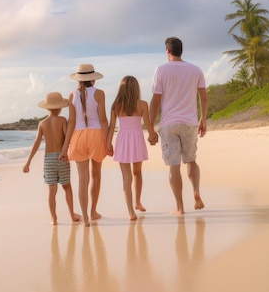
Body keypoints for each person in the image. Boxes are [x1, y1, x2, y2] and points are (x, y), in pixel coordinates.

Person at [149, 37, 208, 214]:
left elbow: (155, 101)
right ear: (181, 50)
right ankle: (196, 192)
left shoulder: (160, 69)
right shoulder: (196, 70)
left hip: (168, 124)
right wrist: (203, 119)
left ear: (167, 51)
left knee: (174, 166)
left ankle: (180, 207)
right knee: (191, 160)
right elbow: (203, 97)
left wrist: (150, 126)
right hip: (189, 123)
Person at [60, 64, 108, 227]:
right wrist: (108, 141)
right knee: (96, 176)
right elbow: (103, 119)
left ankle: (86, 217)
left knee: (82, 179)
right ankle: (93, 211)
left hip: (78, 136)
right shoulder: (100, 93)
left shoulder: (72, 94)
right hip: (96, 135)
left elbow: (71, 122)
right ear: (93, 78)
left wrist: (65, 147)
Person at [23, 92, 82, 225]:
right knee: (67, 187)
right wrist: (72, 152)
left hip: (48, 159)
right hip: (62, 157)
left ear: (47, 107)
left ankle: (53, 218)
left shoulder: (42, 123)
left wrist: (28, 162)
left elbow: (37, 143)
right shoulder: (62, 120)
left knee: (52, 190)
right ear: (61, 107)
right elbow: (68, 138)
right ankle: (72, 215)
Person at [106, 76, 158, 221]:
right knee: (137, 173)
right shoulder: (142, 104)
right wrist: (153, 136)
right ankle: (137, 202)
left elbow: (111, 127)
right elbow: (148, 124)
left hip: (122, 140)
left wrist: (108, 143)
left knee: (126, 177)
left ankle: (131, 211)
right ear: (136, 88)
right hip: (136, 139)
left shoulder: (116, 105)